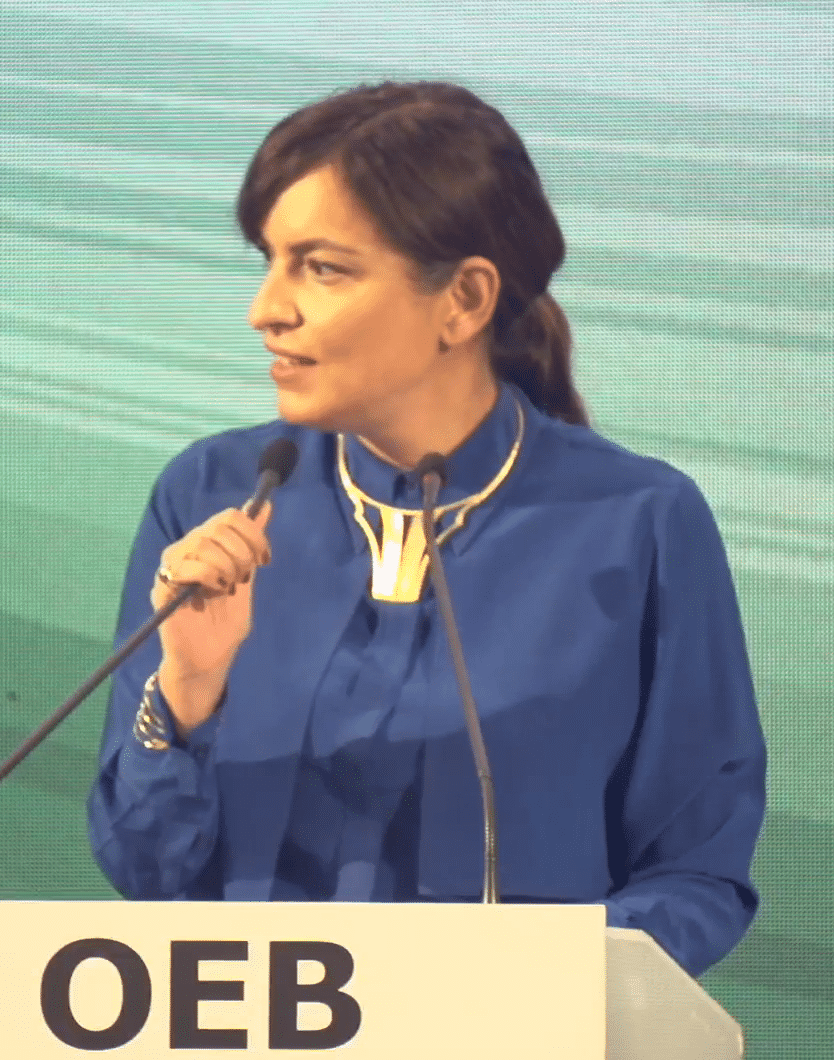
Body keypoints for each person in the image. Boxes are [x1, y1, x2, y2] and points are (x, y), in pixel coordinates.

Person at [87, 81, 766, 978]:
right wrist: (188, 687)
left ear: (465, 300)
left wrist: (521, 987)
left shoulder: (637, 523)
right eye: (269, 260)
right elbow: (144, 867)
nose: (266, 309)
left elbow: (695, 875)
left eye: (322, 269)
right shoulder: (215, 496)